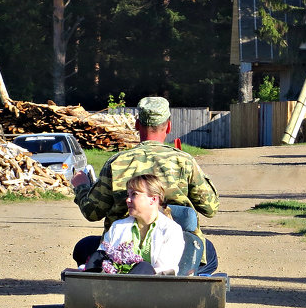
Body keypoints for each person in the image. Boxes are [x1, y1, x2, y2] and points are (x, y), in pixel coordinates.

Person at [71, 95, 221, 274]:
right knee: (208, 252)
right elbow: (210, 208)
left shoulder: (117, 162)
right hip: (176, 247)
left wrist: (81, 186)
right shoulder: (184, 161)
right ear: (169, 126)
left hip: (121, 246)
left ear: (136, 125)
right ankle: (194, 283)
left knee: (83, 247)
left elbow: (92, 212)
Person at [79, 175, 185, 275]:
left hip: (153, 287)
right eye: (128, 195)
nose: (127, 200)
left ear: (153, 199)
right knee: (98, 255)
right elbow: (103, 259)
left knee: (144, 267)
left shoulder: (171, 230)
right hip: (113, 284)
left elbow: (164, 269)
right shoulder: (117, 227)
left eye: (134, 194)